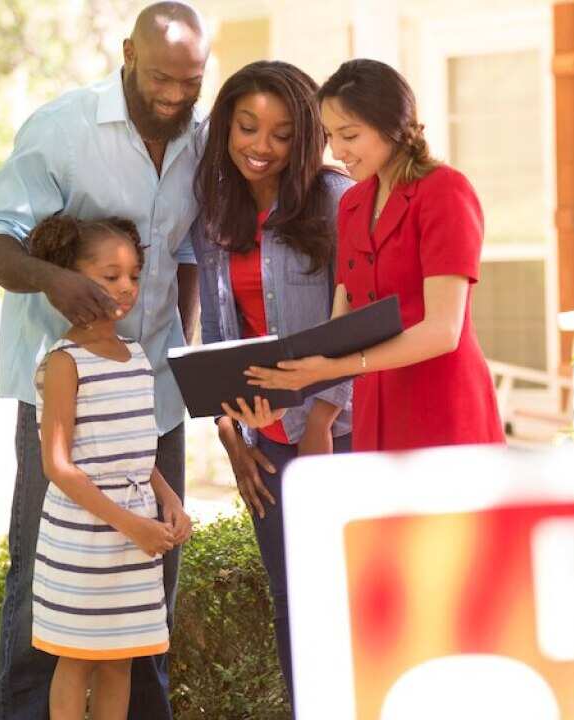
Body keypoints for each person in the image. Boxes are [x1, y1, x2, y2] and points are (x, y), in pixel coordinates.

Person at [0, 3, 209, 716]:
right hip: (68, 394)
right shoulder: (63, 128)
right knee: (46, 584)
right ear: (127, 52)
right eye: (162, 77)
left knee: (148, 575)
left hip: (154, 392)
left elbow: (186, 250)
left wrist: (185, 341)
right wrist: (55, 281)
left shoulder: (198, 141)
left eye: (190, 83)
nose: (173, 95)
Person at [187, 60, 354, 704]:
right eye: (248, 127)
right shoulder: (214, 214)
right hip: (266, 440)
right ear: (227, 125)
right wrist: (232, 436)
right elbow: (222, 332)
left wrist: (321, 420)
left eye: (281, 134)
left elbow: (358, 320)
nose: (262, 146)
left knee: (346, 596)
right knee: (293, 602)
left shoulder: (337, 200)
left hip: (339, 433)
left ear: (305, 136)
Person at [245, 58, 504, 451]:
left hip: (443, 410)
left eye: (349, 135)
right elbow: (340, 326)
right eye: (330, 135)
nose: (337, 150)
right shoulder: (351, 204)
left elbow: (443, 331)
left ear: (392, 125)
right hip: (375, 413)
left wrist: (336, 369)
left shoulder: (445, 192)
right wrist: (287, 391)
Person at [27, 215, 192, 720]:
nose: (126, 287)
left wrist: (168, 500)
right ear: (73, 280)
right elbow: (57, 464)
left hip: (134, 537)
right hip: (85, 540)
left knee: (120, 662)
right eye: (109, 275)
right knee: (76, 662)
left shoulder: (138, 356)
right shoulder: (64, 361)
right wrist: (132, 525)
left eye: (134, 276)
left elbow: (139, 452)